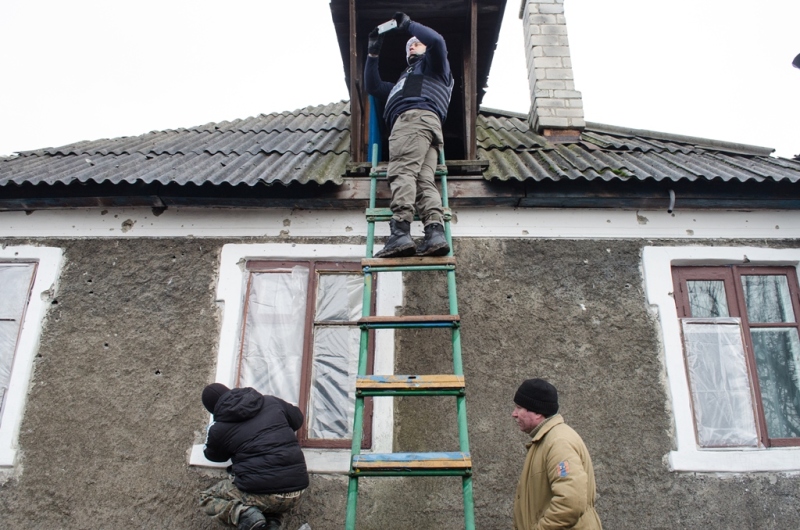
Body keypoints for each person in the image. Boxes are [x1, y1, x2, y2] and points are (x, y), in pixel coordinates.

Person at [364, 11, 454, 258]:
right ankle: (435, 234)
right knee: (424, 181)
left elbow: (437, 41)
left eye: (417, 43)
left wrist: (408, 25)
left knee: (402, 171)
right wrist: (373, 53)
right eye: (409, 45)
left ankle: (400, 234)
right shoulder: (404, 83)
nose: (412, 45)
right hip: (428, 129)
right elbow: (372, 86)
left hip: (413, 122)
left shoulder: (434, 67)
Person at [199, 383, 309, 530]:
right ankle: (271, 525)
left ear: (213, 410)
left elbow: (213, 455)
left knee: (207, 497)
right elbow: (297, 419)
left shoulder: (219, 429)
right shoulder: (270, 401)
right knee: (261, 486)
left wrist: (212, 430)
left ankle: (247, 516)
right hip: (297, 489)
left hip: (264, 494)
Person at [511, 378, 602, 530]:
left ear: (537, 412)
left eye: (519, 408)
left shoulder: (558, 443)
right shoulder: (545, 441)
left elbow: (571, 501)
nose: (514, 414)